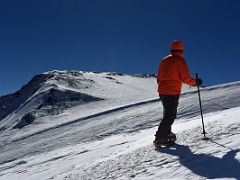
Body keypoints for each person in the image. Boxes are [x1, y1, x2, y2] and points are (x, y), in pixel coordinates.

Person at [154, 40, 202, 145]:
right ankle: (160, 137)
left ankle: (166, 133)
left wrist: (162, 86)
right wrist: (195, 82)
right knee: (170, 115)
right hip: (172, 91)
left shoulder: (164, 60)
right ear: (181, 49)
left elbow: (159, 76)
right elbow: (185, 77)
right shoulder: (180, 61)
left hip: (162, 91)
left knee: (167, 113)